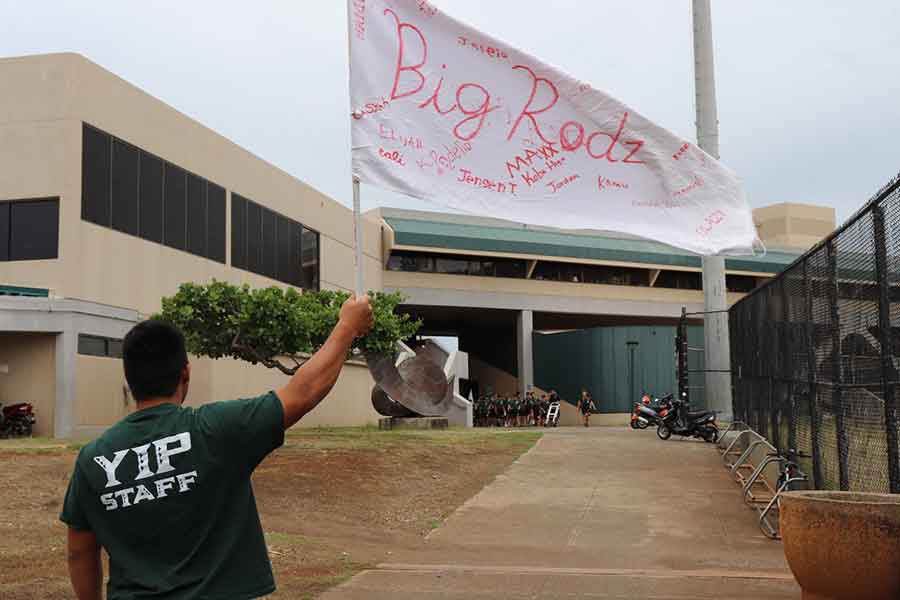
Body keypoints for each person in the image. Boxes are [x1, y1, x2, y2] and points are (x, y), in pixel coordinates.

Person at [60, 295, 374, 600]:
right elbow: (303, 392)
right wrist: (347, 326)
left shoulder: (93, 458)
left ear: (129, 378)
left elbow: (79, 551)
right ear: (185, 373)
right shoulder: (217, 430)